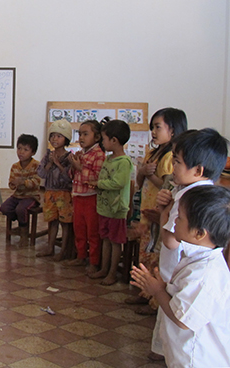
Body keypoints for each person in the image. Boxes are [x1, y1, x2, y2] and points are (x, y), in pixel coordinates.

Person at [148, 128, 228, 361]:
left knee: (176, 325)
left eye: (177, 162)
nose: (172, 167)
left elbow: (170, 240)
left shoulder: (190, 199)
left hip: (177, 279)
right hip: (178, 277)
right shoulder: (205, 194)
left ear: (198, 170)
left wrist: (164, 212)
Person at [131, 185, 230, 368]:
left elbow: (183, 319)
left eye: (180, 218)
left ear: (199, 233)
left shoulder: (205, 274)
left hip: (197, 359)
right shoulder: (196, 258)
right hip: (183, 354)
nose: (174, 220)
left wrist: (158, 291)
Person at [126, 108, 187, 316]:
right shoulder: (152, 153)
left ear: (173, 130)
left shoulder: (170, 156)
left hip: (158, 213)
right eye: (152, 127)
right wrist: (142, 172)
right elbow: (140, 180)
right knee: (145, 254)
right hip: (146, 211)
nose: (153, 131)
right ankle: (145, 293)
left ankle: (155, 301)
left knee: (155, 258)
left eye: (158, 127)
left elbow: (166, 184)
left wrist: (148, 174)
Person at [88, 119, 133, 285]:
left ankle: (112, 273)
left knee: (115, 242)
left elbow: (118, 183)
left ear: (114, 140)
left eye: (104, 139)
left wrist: (98, 184)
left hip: (116, 209)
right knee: (105, 239)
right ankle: (104, 269)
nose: (102, 142)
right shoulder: (108, 159)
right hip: (104, 207)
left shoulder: (124, 162)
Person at [65, 120, 106, 273]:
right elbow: (73, 175)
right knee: (79, 229)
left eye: (85, 134)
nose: (81, 137)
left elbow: (96, 178)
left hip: (91, 197)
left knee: (92, 232)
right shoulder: (81, 153)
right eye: (80, 134)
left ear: (97, 138)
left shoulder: (99, 155)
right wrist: (73, 166)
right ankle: (81, 256)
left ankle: (94, 262)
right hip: (78, 196)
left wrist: (79, 167)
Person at [36, 119, 74, 260]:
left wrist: (58, 164)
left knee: (65, 223)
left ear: (66, 138)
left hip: (64, 194)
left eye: (59, 136)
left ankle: (63, 251)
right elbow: (41, 174)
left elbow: (69, 177)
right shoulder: (48, 156)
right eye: (52, 136)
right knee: (52, 221)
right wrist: (50, 163)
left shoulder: (69, 157)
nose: (55, 139)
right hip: (50, 193)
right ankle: (50, 248)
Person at [0, 134, 41, 246]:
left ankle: (24, 232)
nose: (21, 152)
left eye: (26, 150)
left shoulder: (36, 165)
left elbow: (37, 182)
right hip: (17, 195)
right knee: (4, 208)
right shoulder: (15, 166)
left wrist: (23, 182)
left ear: (33, 152)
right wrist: (13, 184)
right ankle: (21, 223)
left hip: (31, 196)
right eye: (19, 148)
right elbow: (11, 184)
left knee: (21, 209)